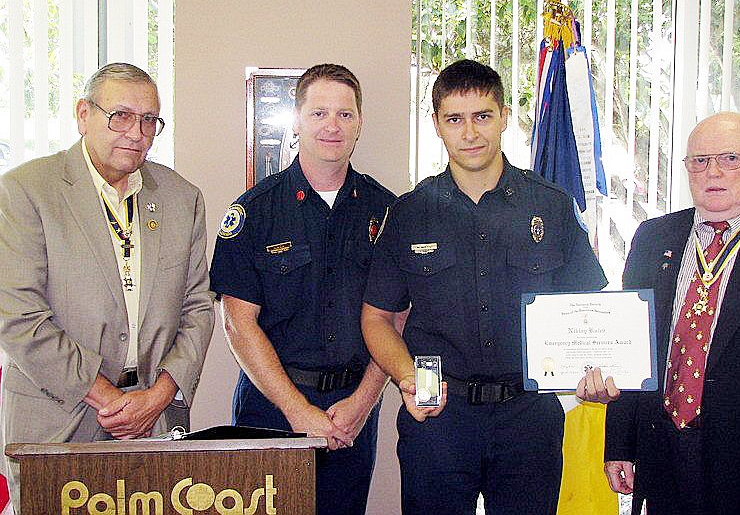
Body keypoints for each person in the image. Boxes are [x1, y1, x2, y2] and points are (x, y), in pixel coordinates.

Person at [361, 59, 608, 515]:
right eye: (455, 119)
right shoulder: (410, 213)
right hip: (439, 416)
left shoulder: (551, 205)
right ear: (437, 124)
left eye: (482, 116)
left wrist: (595, 369)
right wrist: (407, 377)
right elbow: (376, 317)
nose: (470, 133)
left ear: (504, 117)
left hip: (529, 416)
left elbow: (587, 309)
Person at [0, 63, 215, 509]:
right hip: (58, 416)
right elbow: (19, 317)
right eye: (120, 116)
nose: (136, 133)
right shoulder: (25, 191)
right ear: (83, 114)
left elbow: (198, 307)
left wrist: (158, 396)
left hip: (155, 418)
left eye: (149, 120)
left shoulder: (182, 197)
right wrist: (110, 398)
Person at [586, 112, 740, 515]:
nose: (712, 172)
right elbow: (633, 345)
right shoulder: (653, 238)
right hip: (664, 453)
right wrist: (620, 445)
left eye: (730, 159)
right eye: (699, 161)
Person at [209, 64, 395, 515]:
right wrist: (297, 411)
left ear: (359, 123)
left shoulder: (386, 212)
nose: (332, 125)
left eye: (345, 114)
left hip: (351, 409)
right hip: (271, 407)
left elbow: (395, 318)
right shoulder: (254, 212)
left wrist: (364, 402)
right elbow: (238, 325)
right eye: (319, 113)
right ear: (297, 121)